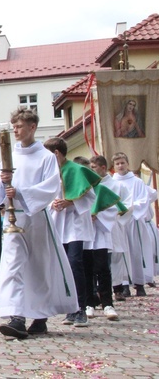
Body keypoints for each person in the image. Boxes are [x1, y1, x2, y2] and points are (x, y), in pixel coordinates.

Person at [0, 108, 77, 339]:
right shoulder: (7, 157)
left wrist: (20, 192)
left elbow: (51, 188)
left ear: (32, 127)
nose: (16, 131)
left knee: (38, 267)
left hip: (36, 217)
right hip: (12, 218)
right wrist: (3, 182)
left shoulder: (46, 157)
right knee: (12, 265)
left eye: (20, 126)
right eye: (14, 127)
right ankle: (16, 317)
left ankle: (40, 317)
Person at [43, 138, 96, 327]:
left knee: (75, 263)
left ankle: (81, 308)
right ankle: (70, 309)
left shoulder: (76, 170)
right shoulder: (50, 173)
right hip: (58, 223)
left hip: (74, 224)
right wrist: (53, 203)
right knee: (63, 266)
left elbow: (90, 197)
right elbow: (46, 196)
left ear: (56, 153)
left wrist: (71, 202)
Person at [111, 152, 158, 296]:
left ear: (127, 164)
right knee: (122, 253)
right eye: (117, 163)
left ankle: (139, 283)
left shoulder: (137, 182)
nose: (120, 166)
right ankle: (124, 284)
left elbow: (143, 199)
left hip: (134, 221)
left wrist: (131, 208)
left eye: (122, 163)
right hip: (119, 222)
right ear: (113, 166)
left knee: (137, 252)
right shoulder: (112, 183)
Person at [88, 155, 126, 320]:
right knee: (88, 268)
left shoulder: (111, 186)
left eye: (94, 167)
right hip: (86, 232)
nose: (91, 171)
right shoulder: (86, 186)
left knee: (103, 267)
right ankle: (89, 303)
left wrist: (98, 215)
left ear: (103, 167)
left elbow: (113, 208)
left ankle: (107, 303)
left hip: (102, 231)